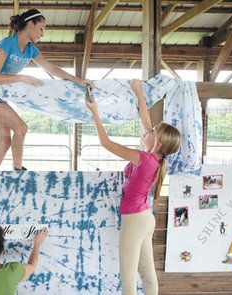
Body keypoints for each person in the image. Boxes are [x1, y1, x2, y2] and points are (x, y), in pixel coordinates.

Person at [86, 79, 181, 295]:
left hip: (135, 220)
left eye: (152, 131)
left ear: (157, 142)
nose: (148, 130)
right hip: (145, 218)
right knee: (148, 276)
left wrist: (95, 111)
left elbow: (106, 143)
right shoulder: (155, 159)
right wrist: (139, 92)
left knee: (128, 278)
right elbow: (146, 122)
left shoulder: (144, 159)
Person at [0, 8, 94, 171]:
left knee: (4, 143)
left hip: (1, 95)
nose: (42, 34)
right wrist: (22, 78)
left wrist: (80, 81)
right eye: (41, 28)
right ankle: (18, 171)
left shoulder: (31, 50)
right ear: (30, 24)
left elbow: (53, 69)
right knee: (21, 129)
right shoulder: (7, 43)